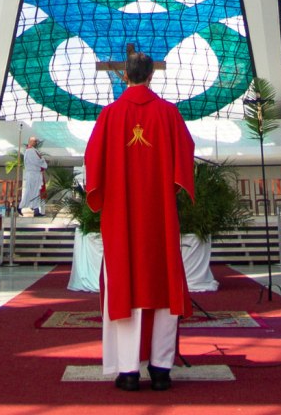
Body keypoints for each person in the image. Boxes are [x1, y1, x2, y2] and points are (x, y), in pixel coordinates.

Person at [84, 48, 196, 392]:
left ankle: (128, 370)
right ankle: (161, 370)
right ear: (151, 76)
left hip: (121, 219)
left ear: (125, 76)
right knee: (163, 284)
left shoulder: (110, 115)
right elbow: (185, 155)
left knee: (124, 285)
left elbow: (93, 162)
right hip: (158, 216)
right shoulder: (169, 113)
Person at [19, 136, 48, 216]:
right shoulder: (30, 151)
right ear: (30, 141)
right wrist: (43, 161)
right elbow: (37, 161)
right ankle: (21, 207)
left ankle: (36, 209)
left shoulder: (33, 151)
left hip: (35, 174)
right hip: (33, 174)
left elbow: (38, 161)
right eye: (35, 141)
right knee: (30, 191)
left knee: (35, 192)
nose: (36, 143)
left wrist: (42, 161)